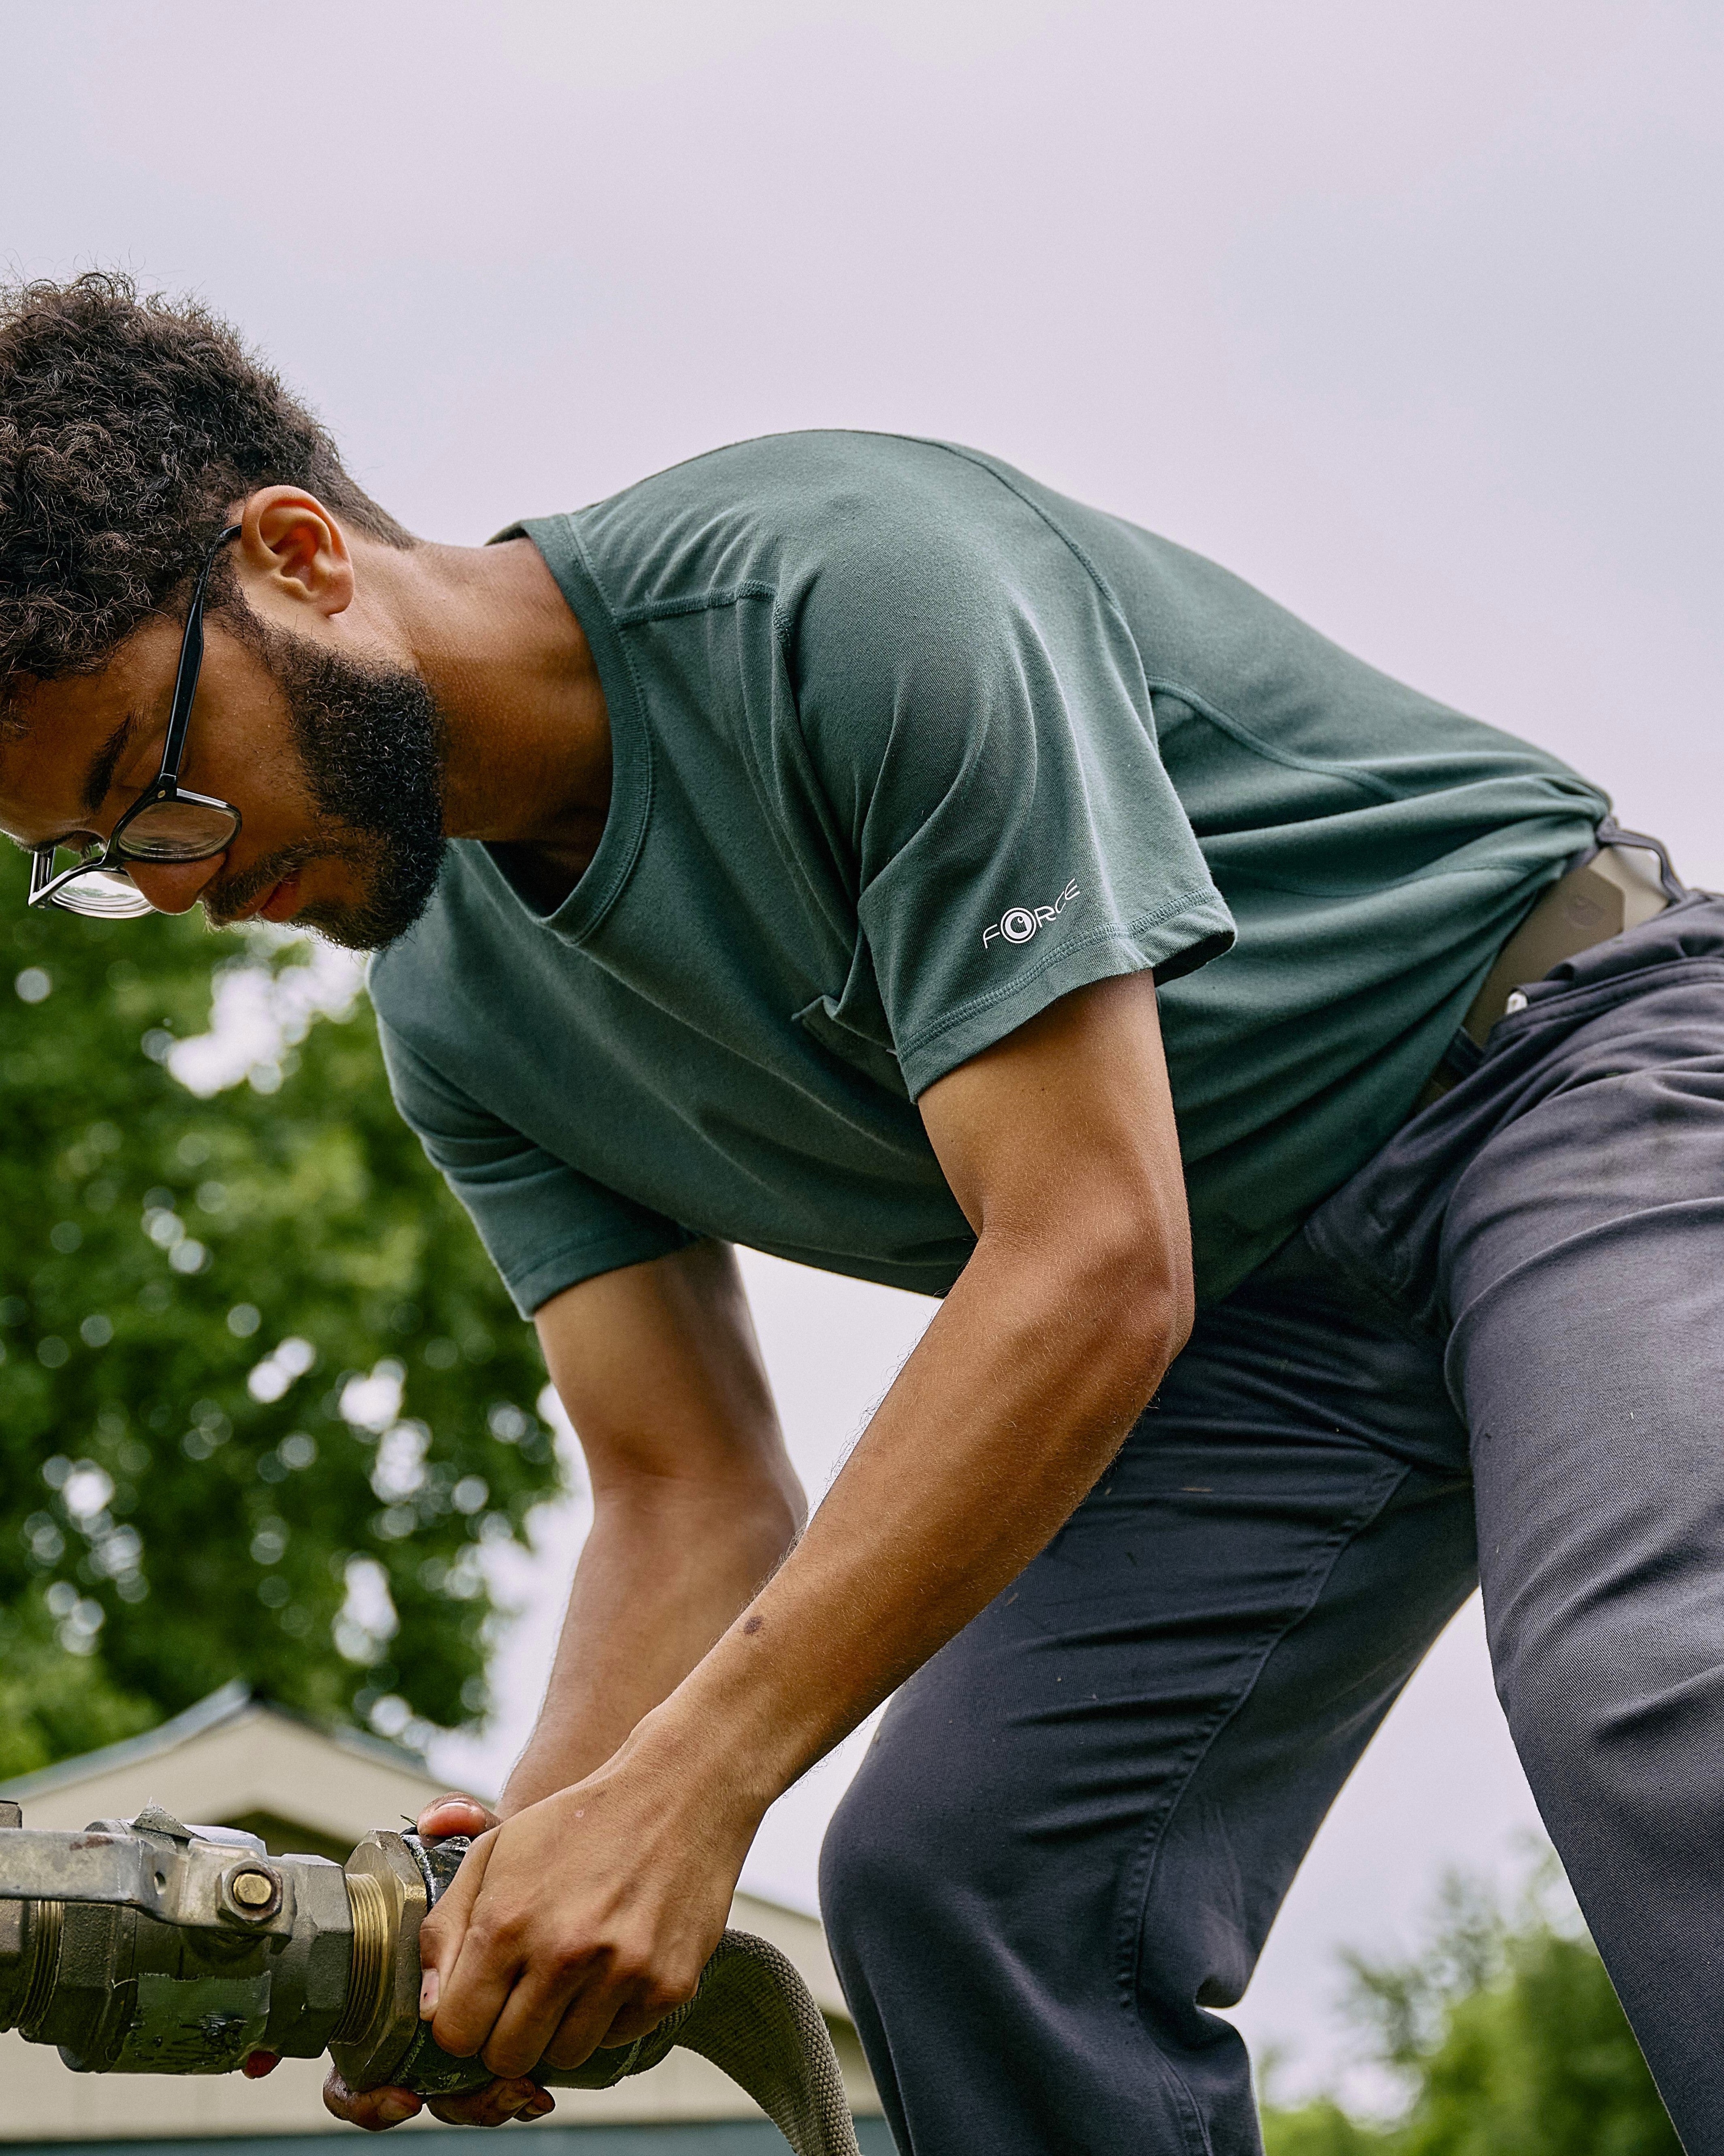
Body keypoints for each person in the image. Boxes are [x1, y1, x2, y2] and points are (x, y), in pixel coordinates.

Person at [1, 272, 1718, 2156]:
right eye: (94, 867)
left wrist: (699, 1783)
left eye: (142, 789)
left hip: (1560, 1068)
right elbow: (684, 1485)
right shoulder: (448, 1004)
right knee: (956, 1885)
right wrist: (497, 1894)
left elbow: (1084, 1249)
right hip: (1263, 1310)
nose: (170, 888)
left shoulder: (840, 590)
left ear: (299, 555)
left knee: (1649, 1680)